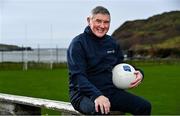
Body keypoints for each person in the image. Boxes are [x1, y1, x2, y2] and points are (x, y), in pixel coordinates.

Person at [67, 6, 151, 115]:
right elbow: (78, 77)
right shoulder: (78, 44)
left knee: (144, 107)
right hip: (83, 95)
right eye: (98, 21)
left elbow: (121, 66)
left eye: (106, 22)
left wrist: (139, 73)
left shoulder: (112, 43)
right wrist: (97, 95)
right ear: (89, 20)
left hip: (109, 92)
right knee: (100, 111)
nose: (102, 26)